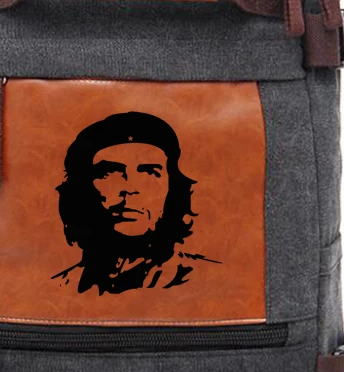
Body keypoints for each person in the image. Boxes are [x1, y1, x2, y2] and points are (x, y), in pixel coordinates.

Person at [53, 111, 220, 295]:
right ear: (80, 191)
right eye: (109, 173)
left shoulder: (213, 284)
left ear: (174, 189)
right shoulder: (58, 291)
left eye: (150, 172)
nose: (130, 188)